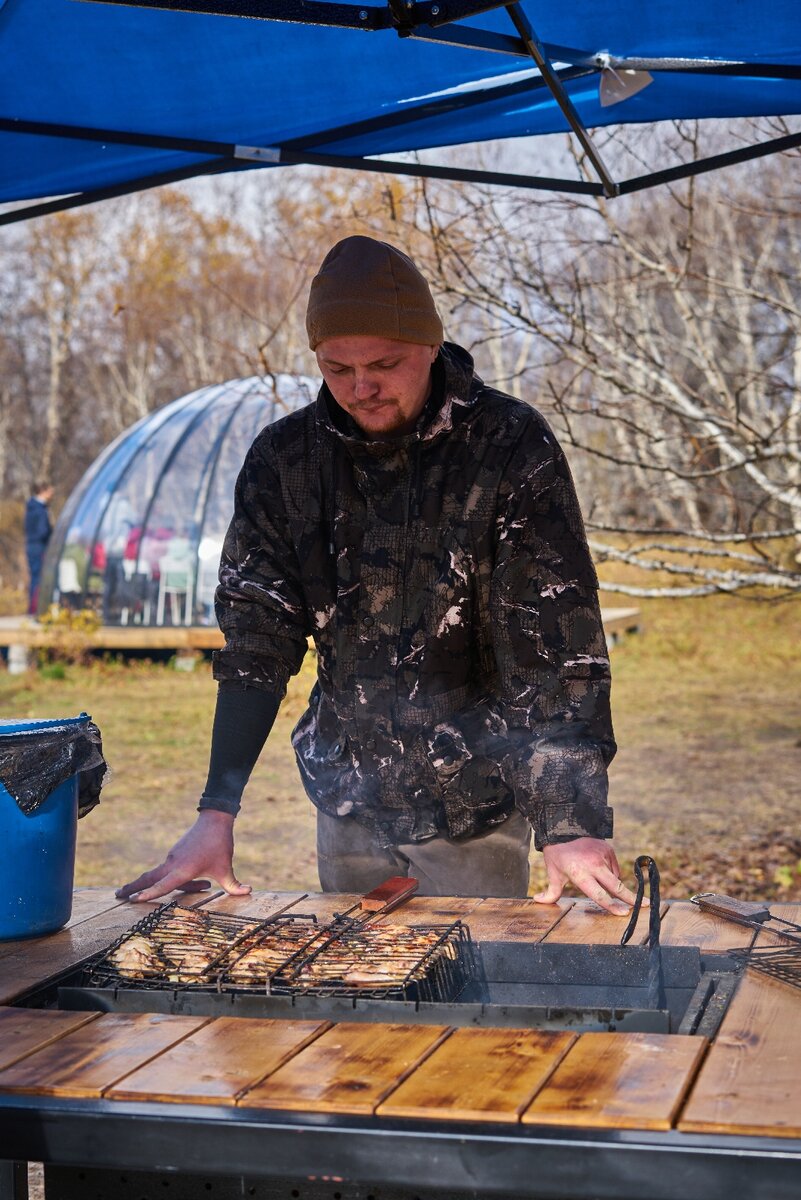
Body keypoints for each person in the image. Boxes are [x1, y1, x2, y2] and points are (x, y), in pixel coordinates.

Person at [118, 237, 638, 916]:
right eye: (337, 368)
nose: (360, 387)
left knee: (475, 999)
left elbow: (550, 650)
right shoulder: (287, 461)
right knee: (364, 994)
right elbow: (255, 641)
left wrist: (568, 822)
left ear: (429, 346)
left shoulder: (508, 446)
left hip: (476, 801)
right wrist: (217, 810)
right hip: (348, 796)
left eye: (384, 364)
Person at [24, 481, 54, 615]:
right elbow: (43, 531)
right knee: (38, 578)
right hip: (40, 546)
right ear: (44, 491)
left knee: (34, 577)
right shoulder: (41, 510)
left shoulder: (30, 507)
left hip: (31, 545)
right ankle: (36, 609)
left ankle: (33, 607)